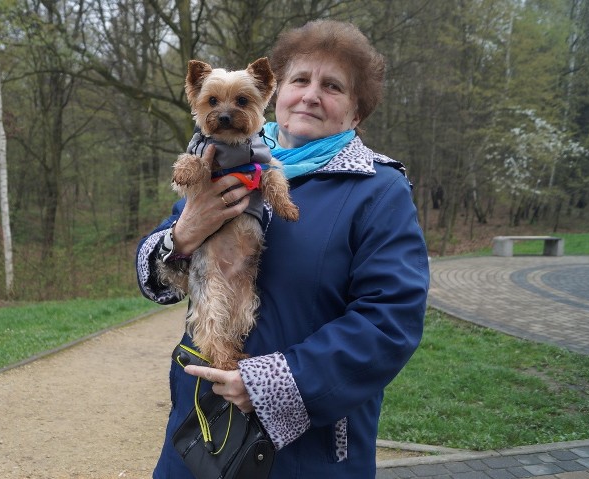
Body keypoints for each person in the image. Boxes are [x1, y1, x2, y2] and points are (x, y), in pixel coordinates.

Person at [136, 19, 429, 478]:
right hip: (201, 427)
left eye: (332, 86)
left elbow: (390, 321)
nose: (311, 95)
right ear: (278, 92)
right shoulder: (222, 159)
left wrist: (270, 384)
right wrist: (184, 234)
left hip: (305, 451)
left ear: (356, 112)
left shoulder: (379, 191)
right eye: (300, 79)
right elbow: (157, 280)